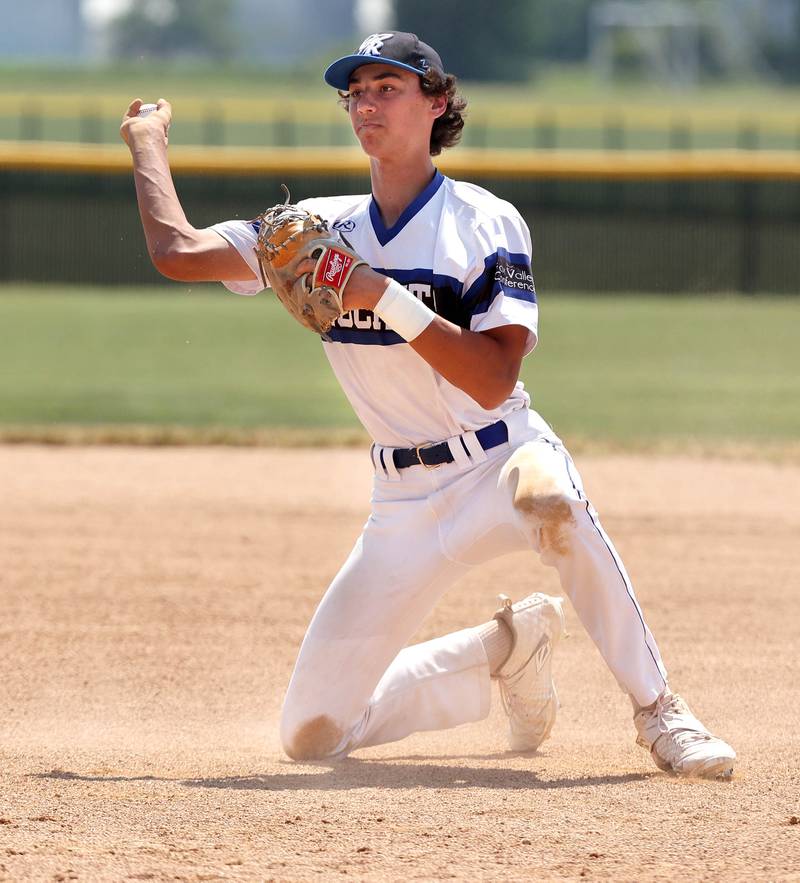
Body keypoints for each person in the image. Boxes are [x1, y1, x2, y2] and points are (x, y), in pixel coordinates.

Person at [120, 31, 736, 778]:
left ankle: (660, 710)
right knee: (311, 736)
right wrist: (146, 140)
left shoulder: (483, 221)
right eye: (356, 91)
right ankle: (504, 649)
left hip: (500, 457)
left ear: (437, 102)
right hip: (402, 503)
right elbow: (177, 252)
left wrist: (379, 294)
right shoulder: (315, 231)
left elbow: (492, 380)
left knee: (554, 502)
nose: (367, 103)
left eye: (389, 87)